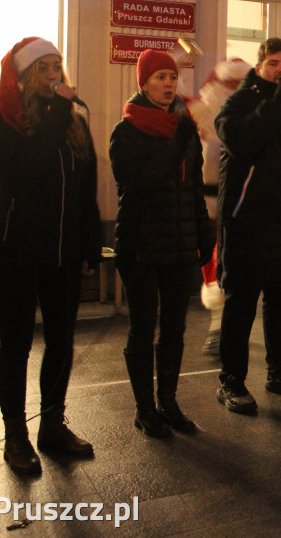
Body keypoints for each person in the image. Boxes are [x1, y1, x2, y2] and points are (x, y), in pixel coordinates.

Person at [0, 37, 100, 474]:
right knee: (16, 344)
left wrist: (90, 244)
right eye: (45, 68)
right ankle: (16, 435)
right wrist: (56, 116)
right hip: (14, 249)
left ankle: (52, 422)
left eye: (58, 67)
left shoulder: (71, 119)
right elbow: (23, 171)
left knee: (61, 341)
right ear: (27, 75)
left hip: (63, 251)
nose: (55, 76)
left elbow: (87, 186)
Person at [109, 50, 214, 437]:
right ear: (143, 83)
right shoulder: (127, 130)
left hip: (180, 243)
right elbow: (137, 183)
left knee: (174, 328)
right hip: (141, 245)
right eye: (160, 78)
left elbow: (192, 190)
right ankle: (144, 408)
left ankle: (168, 402)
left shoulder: (182, 129)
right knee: (143, 327)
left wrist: (204, 235)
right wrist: (175, 143)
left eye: (172, 76)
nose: (168, 84)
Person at [216, 38, 281, 410]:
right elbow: (242, 142)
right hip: (246, 223)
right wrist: (275, 102)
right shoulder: (241, 103)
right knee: (240, 304)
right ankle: (231, 381)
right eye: (274, 63)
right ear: (260, 67)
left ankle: (280, 372)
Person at [185, 58, 250, 358]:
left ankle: (226, 328)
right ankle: (218, 327)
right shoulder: (202, 116)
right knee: (215, 266)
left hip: (238, 202)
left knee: (229, 266)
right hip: (208, 202)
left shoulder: (239, 119)